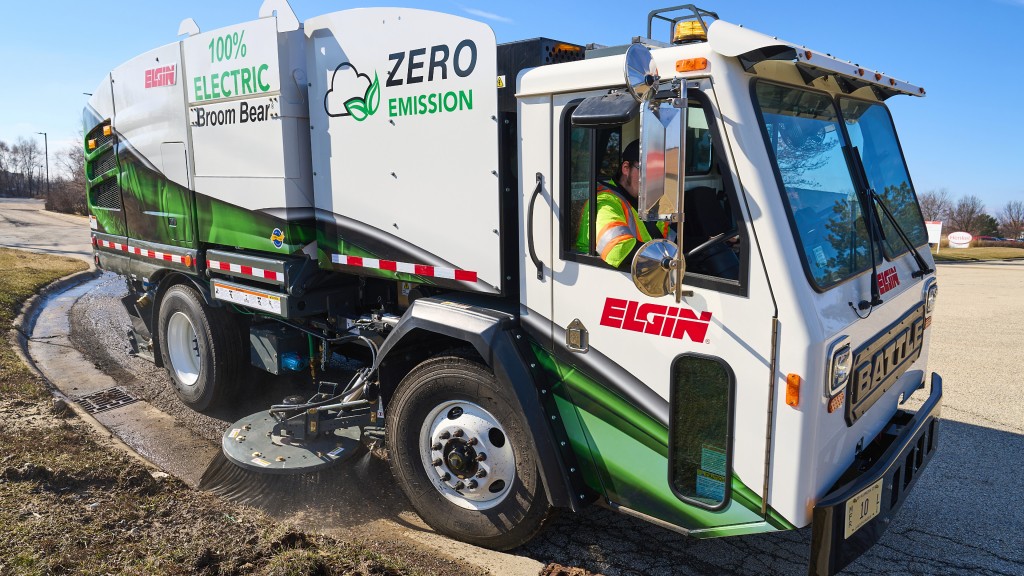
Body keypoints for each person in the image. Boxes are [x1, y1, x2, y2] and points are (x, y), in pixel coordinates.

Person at [575, 140, 671, 268]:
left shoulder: (650, 201)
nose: (654, 179)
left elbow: (667, 241)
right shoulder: (604, 202)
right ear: (626, 168)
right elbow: (618, 249)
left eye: (659, 173)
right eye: (648, 170)